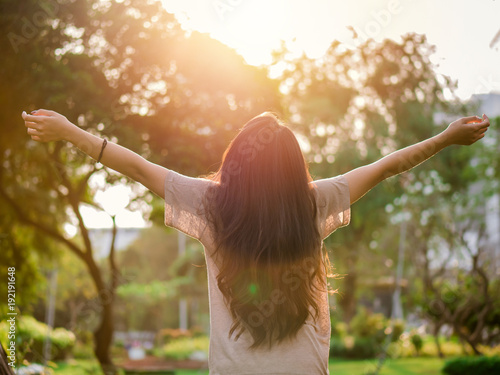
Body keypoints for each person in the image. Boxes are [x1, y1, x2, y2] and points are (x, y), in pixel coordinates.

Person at [21, 109, 489, 374]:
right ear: (293, 167)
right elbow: (389, 165)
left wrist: (69, 132)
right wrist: (445, 138)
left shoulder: (210, 204)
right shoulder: (314, 202)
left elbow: (136, 167)